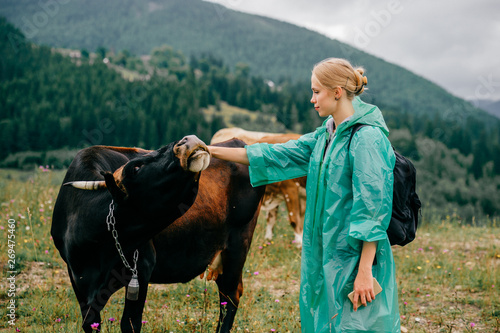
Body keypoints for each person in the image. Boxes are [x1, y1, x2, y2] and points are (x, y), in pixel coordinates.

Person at [208, 58, 400, 332]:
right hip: (325, 255)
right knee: (326, 322)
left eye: (316, 91)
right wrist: (210, 150)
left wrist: (365, 271)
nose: (312, 99)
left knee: (358, 325)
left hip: (356, 259)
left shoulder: (367, 139)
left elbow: (372, 210)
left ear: (336, 92)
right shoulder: (325, 136)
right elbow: (273, 154)